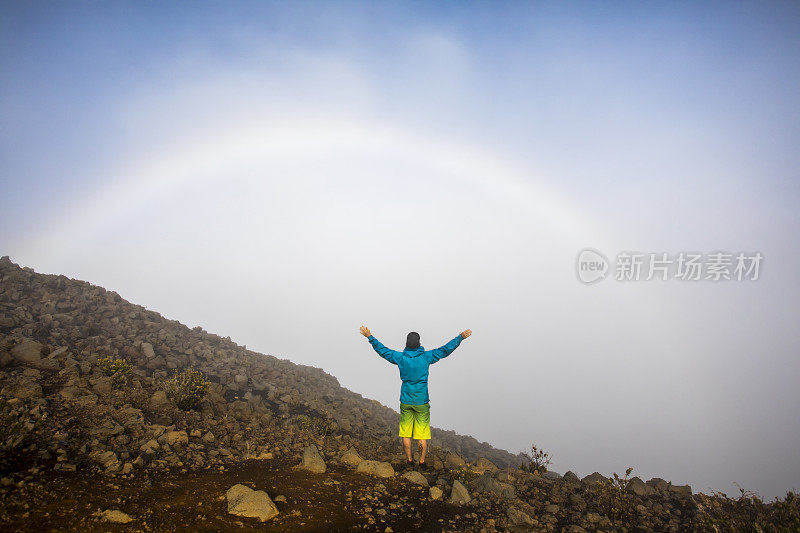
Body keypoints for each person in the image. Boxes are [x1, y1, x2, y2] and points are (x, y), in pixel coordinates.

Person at [359, 326, 472, 470]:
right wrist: (460, 337)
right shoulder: (426, 357)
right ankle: (422, 462)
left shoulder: (400, 358)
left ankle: (409, 460)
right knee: (421, 435)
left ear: (406, 343)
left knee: (406, 434)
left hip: (406, 400)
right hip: (422, 401)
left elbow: (383, 351)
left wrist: (370, 337)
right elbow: (445, 350)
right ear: (419, 343)